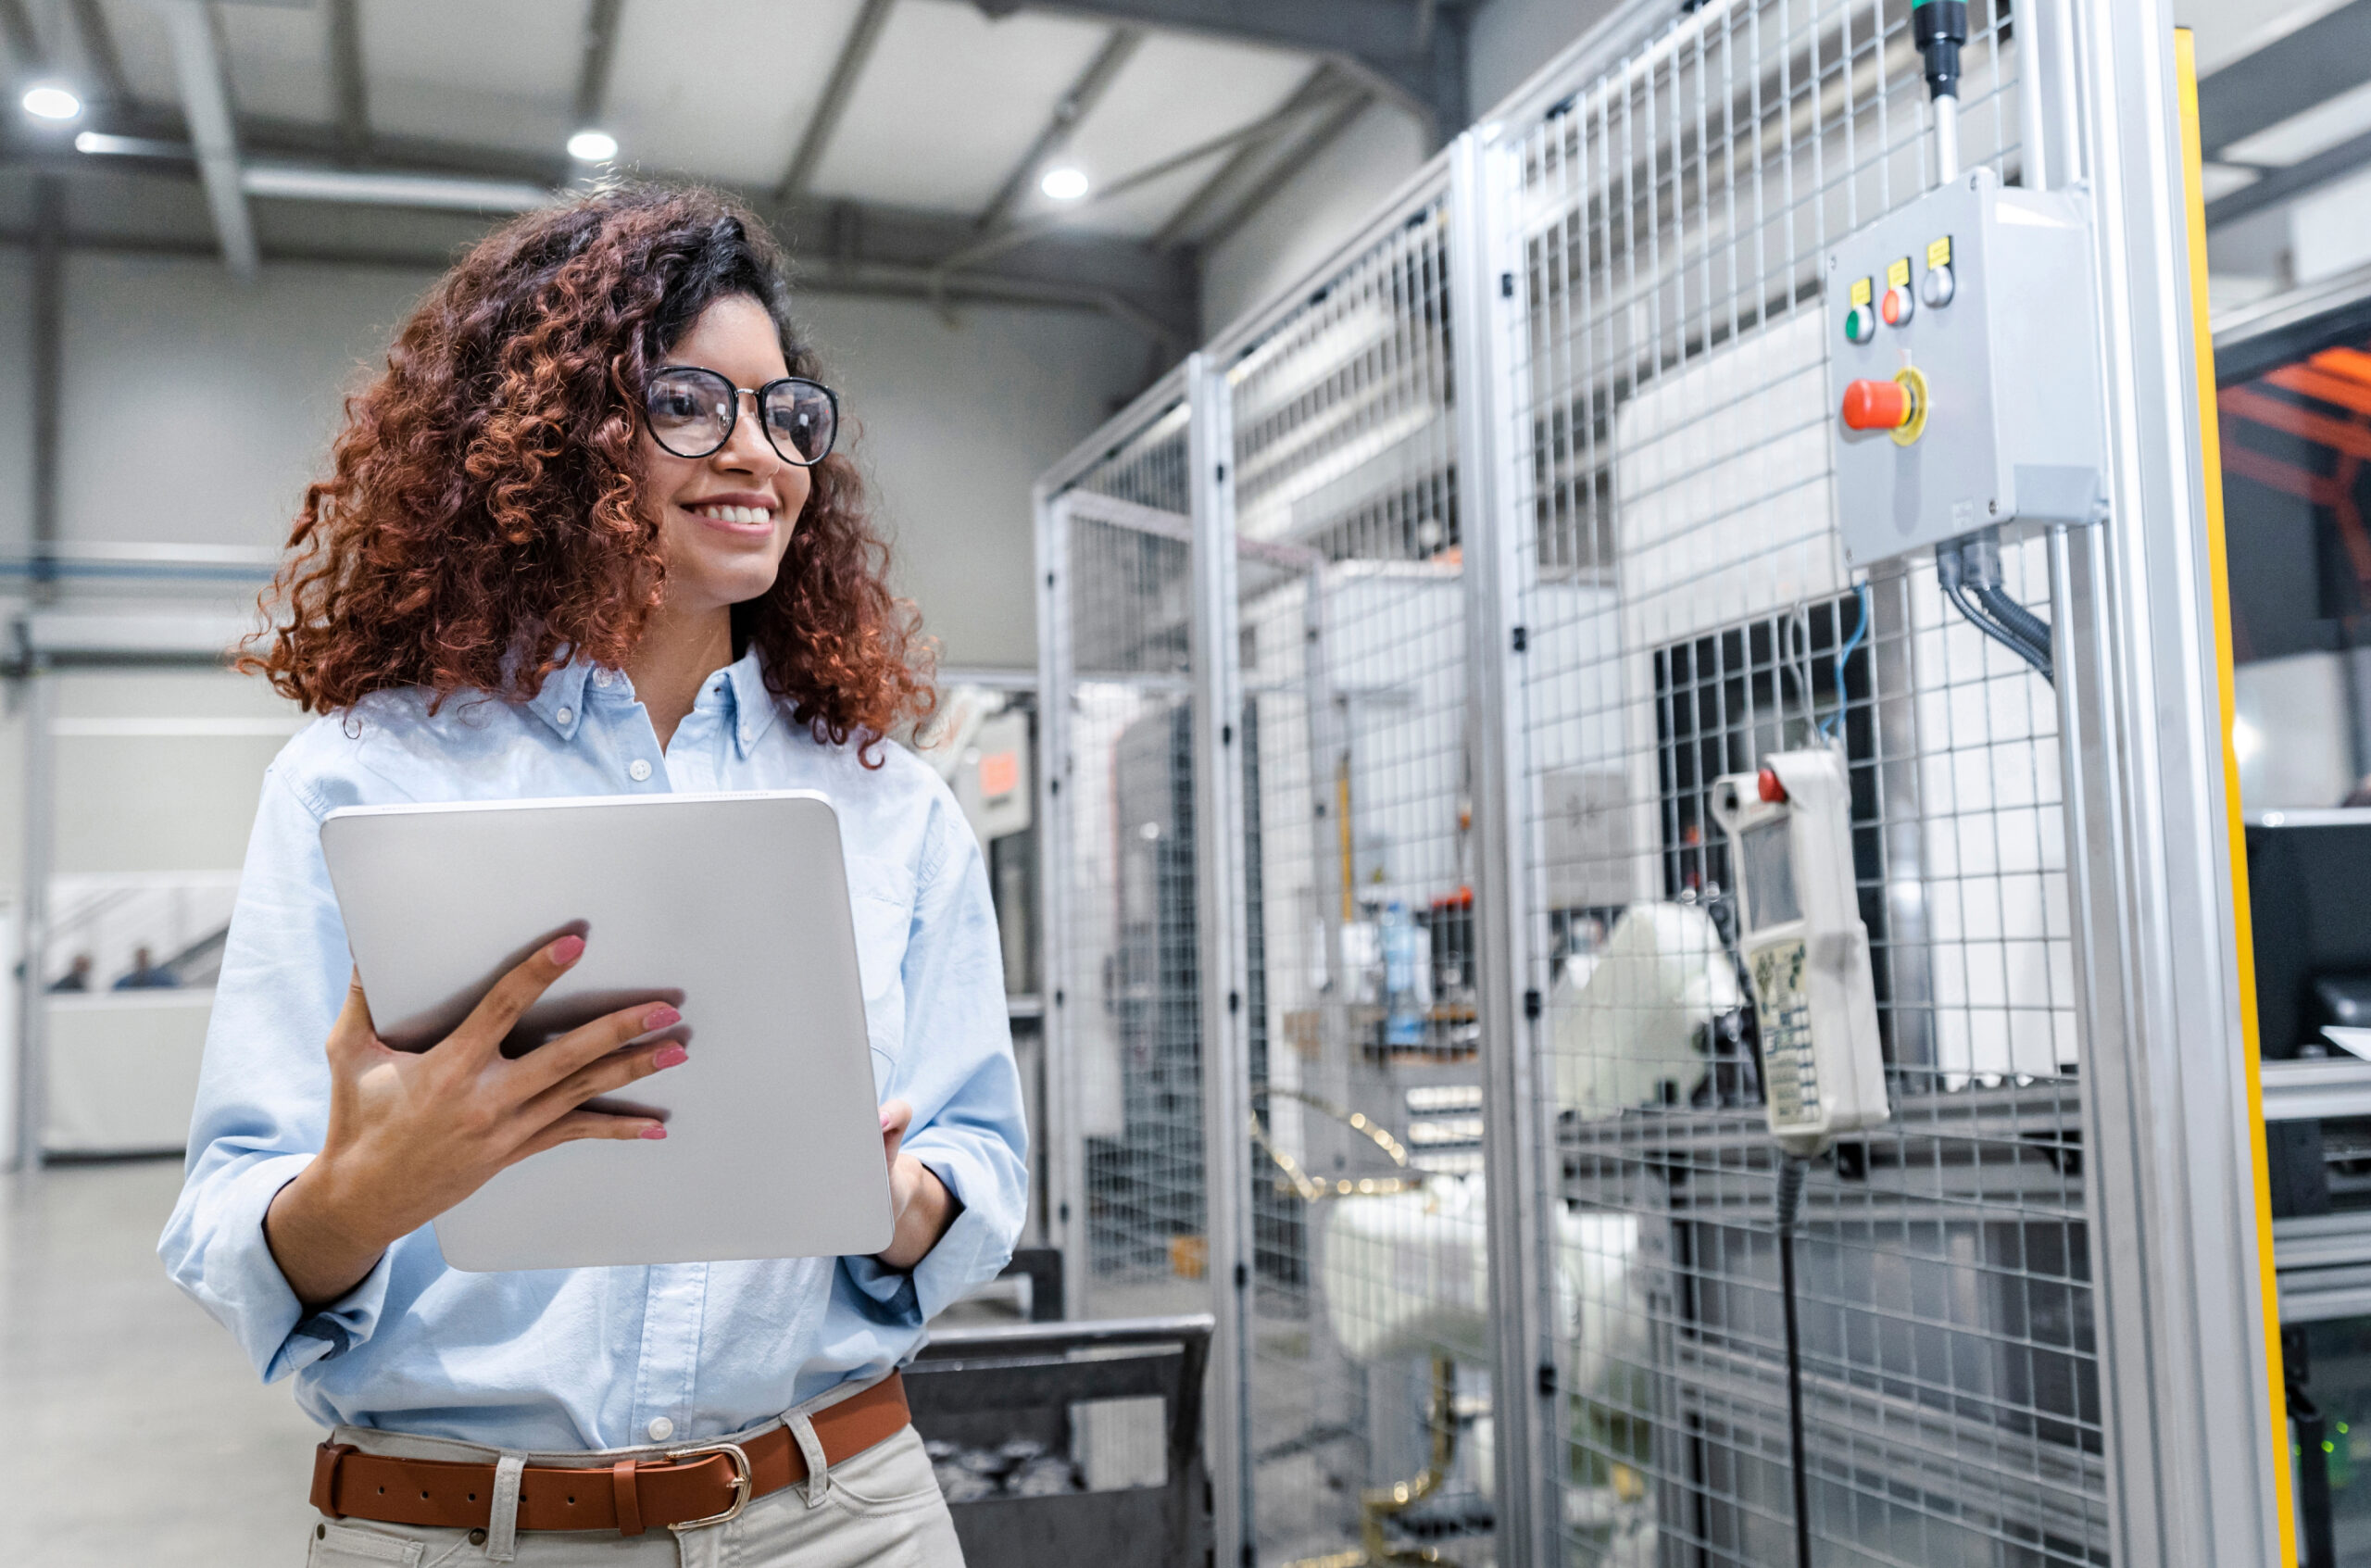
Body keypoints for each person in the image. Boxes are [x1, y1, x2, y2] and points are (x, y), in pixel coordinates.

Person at [160, 185, 1026, 1567]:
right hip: (464, 1531)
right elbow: (231, 1225)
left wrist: (903, 1198)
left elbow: (984, 1152)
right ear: (555, 434)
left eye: (786, 413)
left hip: (843, 1518)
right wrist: (370, 1192)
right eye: (692, 403)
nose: (761, 453)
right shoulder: (364, 779)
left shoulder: (888, 802)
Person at [113, 945, 179, 989]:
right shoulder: (123, 982)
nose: (142, 961)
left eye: (144, 958)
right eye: (140, 958)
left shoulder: (164, 980)